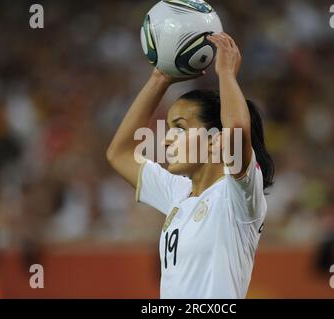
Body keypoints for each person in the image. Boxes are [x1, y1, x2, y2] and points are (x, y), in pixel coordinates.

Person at [107, 32, 274, 298]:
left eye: (180, 128)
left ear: (214, 140)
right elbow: (120, 154)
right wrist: (159, 79)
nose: (166, 139)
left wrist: (226, 74)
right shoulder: (179, 194)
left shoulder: (238, 196)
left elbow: (238, 130)